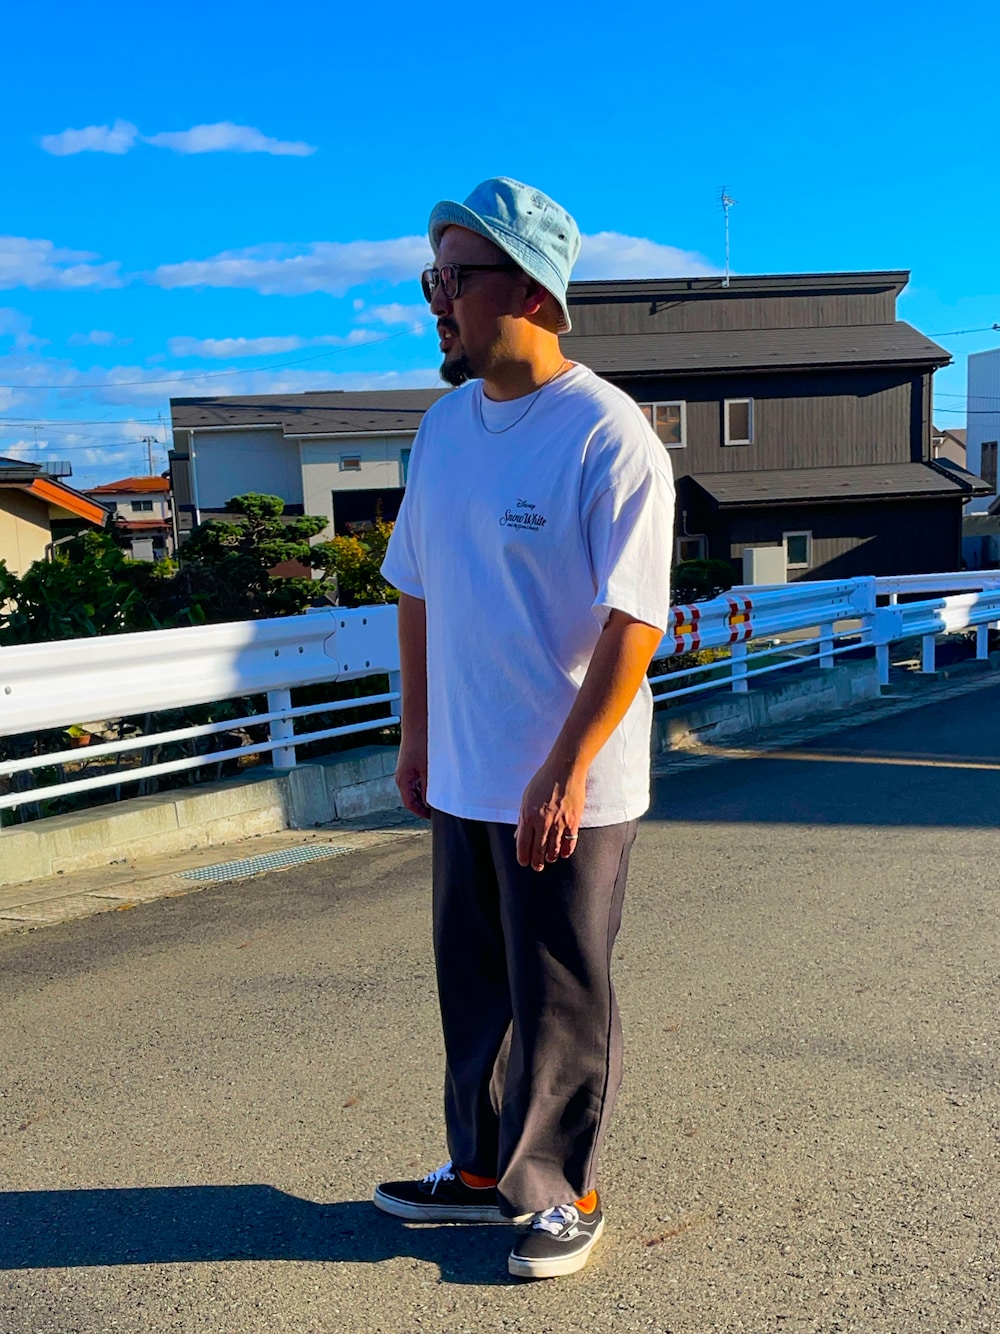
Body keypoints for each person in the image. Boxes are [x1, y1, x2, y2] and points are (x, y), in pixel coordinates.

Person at [374, 178, 675, 1280]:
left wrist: (565, 768)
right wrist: (416, 735)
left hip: (567, 779)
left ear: (536, 294)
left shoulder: (606, 435)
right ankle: (477, 1171)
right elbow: (415, 588)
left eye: (455, 278)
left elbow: (635, 620)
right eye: (432, 278)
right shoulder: (443, 428)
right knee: (474, 983)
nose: (436, 302)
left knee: (558, 990)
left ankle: (561, 1191)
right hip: (464, 765)